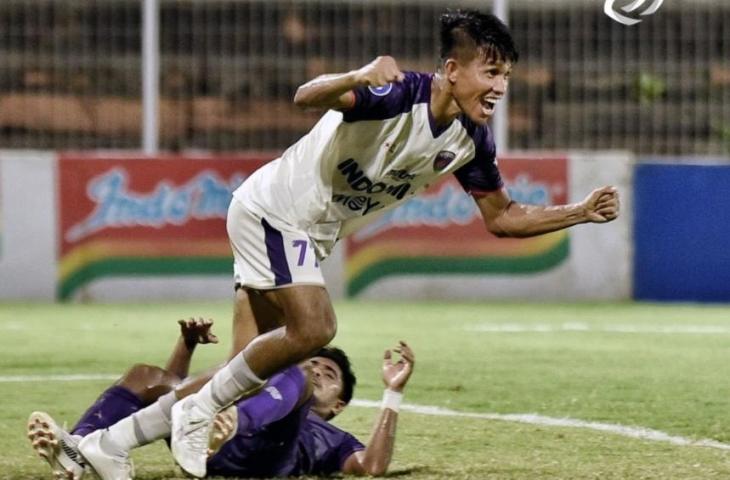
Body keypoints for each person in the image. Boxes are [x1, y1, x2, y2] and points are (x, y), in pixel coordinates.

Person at [76, 9, 620, 479]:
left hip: (307, 233)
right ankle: (191, 415)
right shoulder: (395, 95)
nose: (500, 86)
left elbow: (502, 217)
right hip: (276, 207)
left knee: (251, 369)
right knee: (316, 329)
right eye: (491, 71)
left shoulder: (470, 140)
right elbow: (305, 95)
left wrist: (580, 212)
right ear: (452, 70)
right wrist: (358, 74)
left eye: (506, 75)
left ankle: (107, 444)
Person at [28, 319, 415, 479]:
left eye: (327, 376)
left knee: (286, 374)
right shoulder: (269, 386)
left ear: (338, 406)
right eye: (314, 364)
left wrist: (392, 392)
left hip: (262, 456)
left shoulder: (331, 438)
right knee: (146, 377)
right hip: (203, 441)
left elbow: (372, 465)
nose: (317, 371)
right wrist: (186, 346)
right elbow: (172, 397)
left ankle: (223, 425)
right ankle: (77, 450)